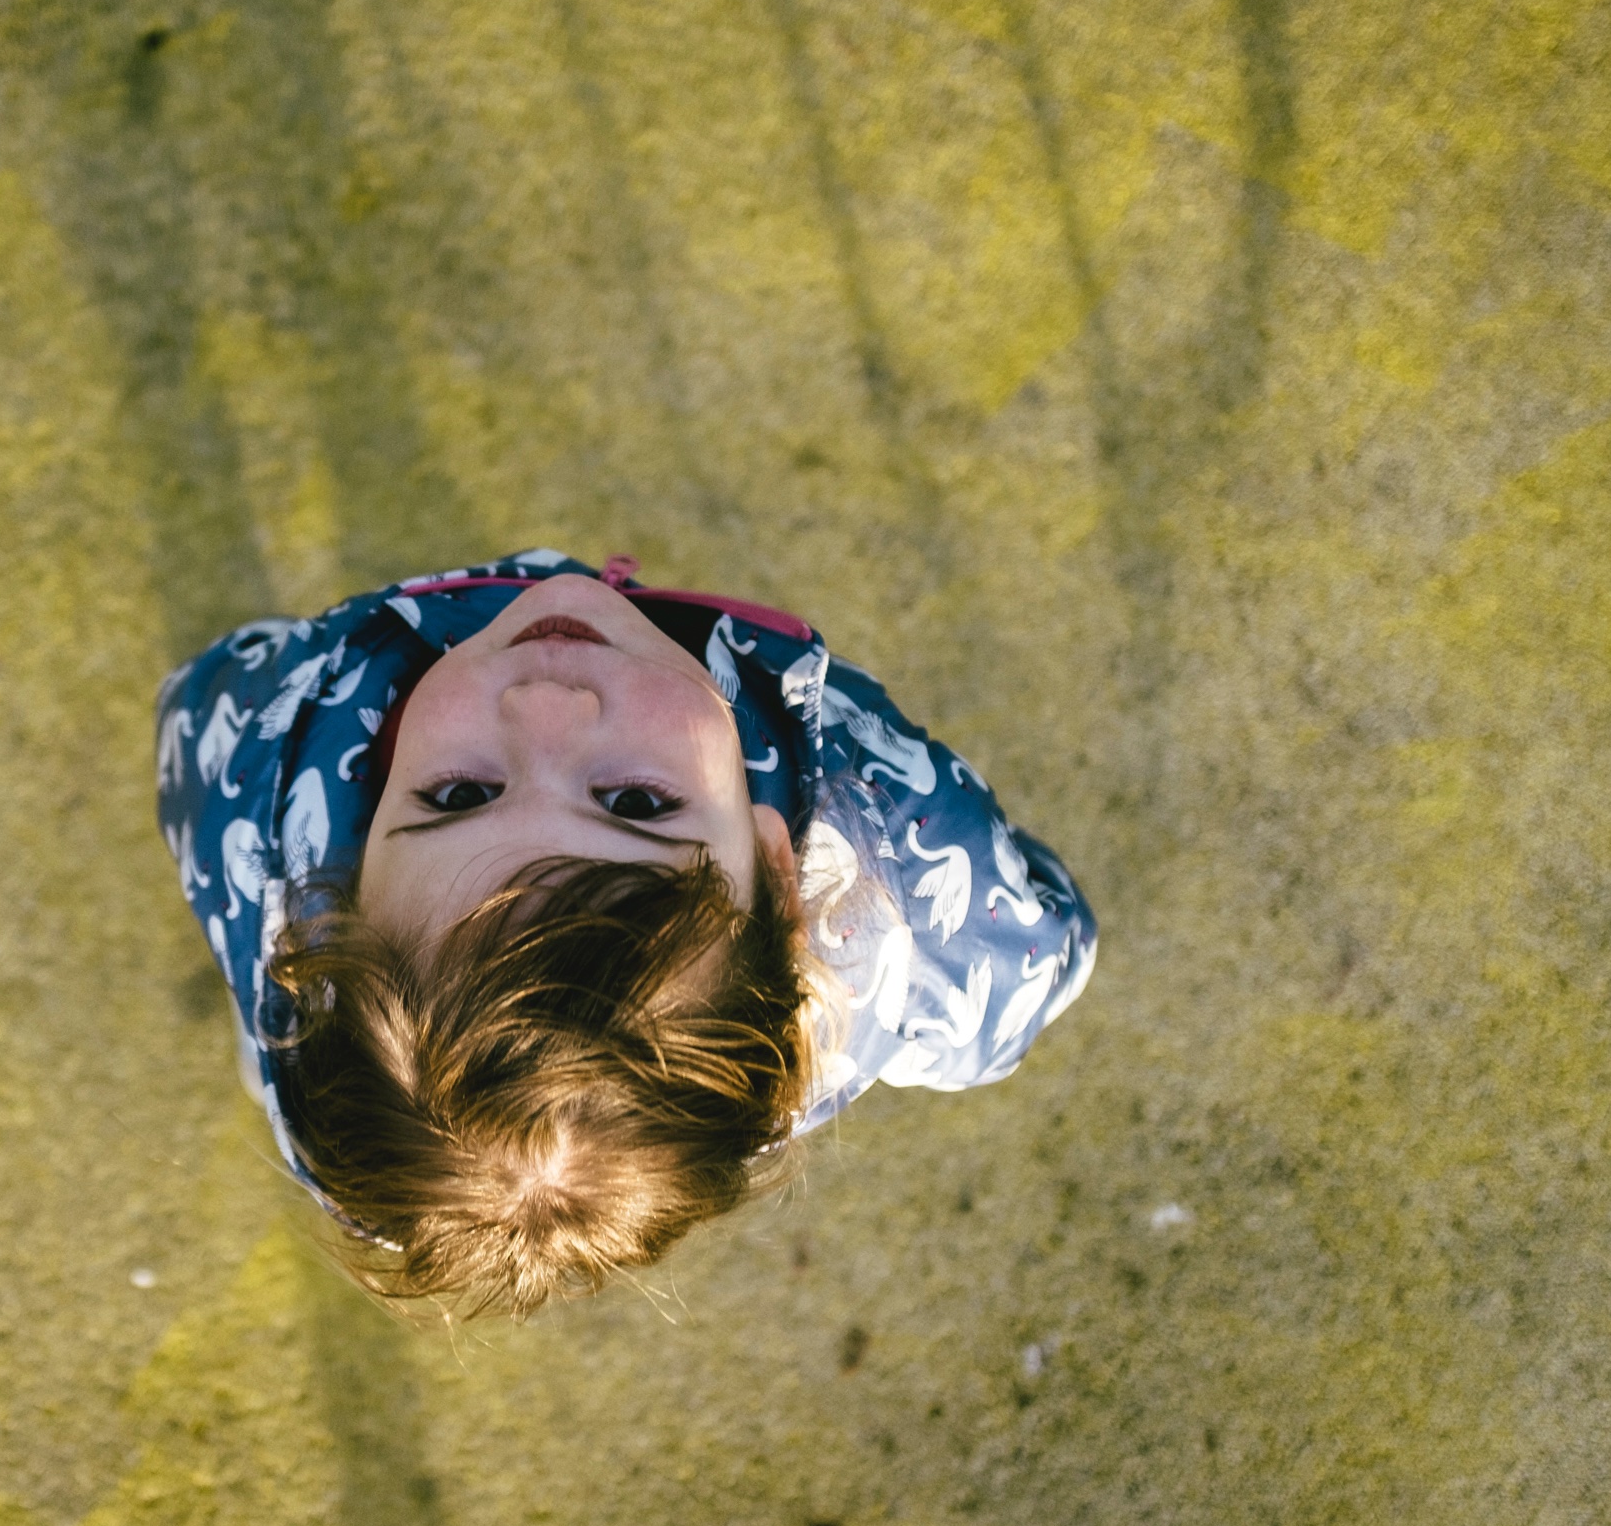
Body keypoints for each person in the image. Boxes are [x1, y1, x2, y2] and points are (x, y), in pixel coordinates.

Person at [156, 549, 1095, 1317]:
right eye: (638, 805)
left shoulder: (285, 783)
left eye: (460, 796)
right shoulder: (891, 841)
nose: (545, 706)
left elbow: (203, 720)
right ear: (781, 877)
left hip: (332, 1056)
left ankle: (286, 1049)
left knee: (317, 1056)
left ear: (345, 887)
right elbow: (1018, 968)